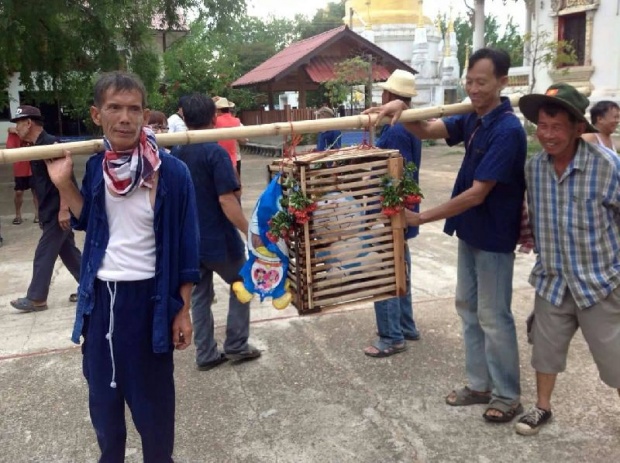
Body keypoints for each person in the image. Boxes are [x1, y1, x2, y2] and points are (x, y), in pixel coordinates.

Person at [44, 71, 200, 461]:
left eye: (134, 109)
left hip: (150, 301)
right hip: (100, 301)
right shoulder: (97, 168)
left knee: (155, 419)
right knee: (105, 415)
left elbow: (186, 246)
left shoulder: (173, 173)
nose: (125, 118)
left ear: (145, 115)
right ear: (97, 115)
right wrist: (64, 185)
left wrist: (182, 309)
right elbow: (89, 221)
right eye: (115, 108)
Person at [365, 48, 526, 423]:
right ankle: (478, 384)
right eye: (469, 81)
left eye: (481, 82)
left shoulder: (508, 130)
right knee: (468, 309)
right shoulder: (473, 117)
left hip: (494, 236)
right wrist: (400, 111)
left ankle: (506, 395)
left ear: (502, 82)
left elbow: (477, 193)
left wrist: (421, 218)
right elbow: (430, 129)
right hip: (470, 232)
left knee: (494, 316)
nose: (473, 88)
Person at [514, 84, 620, 436]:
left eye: (556, 127)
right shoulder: (535, 169)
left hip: (599, 281)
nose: (547, 135)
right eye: (542, 126)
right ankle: (542, 408)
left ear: (578, 128)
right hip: (553, 279)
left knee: (615, 358)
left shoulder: (607, 167)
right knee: (545, 351)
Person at [173, 93, 261, 372]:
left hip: (190, 242)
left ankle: (206, 352)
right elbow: (227, 200)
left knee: (199, 296)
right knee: (243, 283)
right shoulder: (215, 152)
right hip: (218, 239)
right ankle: (236, 344)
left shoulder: (176, 153)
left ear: (183, 117)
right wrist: (249, 231)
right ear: (213, 118)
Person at [362, 69, 422, 358]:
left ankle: (391, 336)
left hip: (390, 213)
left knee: (384, 270)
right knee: (401, 267)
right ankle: (405, 325)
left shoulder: (397, 129)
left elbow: (397, 176)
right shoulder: (409, 124)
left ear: (389, 97)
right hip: (399, 211)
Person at [9, 105, 81, 312]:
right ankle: (91, 286)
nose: (17, 128)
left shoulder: (50, 144)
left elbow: (66, 179)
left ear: (29, 123)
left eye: (19, 123)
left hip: (57, 210)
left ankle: (36, 297)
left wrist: (64, 209)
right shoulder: (36, 146)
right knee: (68, 252)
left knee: (44, 253)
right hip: (50, 210)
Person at [7, 128, 39, 225]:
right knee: (19, 192)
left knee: (36, 192)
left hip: (33, 166)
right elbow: (10, 149)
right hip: (20, 167)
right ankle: (18, 215)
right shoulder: (14, 133)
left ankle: (38, 214)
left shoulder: (34, 132)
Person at [214, 96, 247, 176]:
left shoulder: (214, 121)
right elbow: (244, 140)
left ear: (218, 110)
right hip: (234, 159)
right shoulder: (236, 121)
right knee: (236, 184)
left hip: (219, 159)